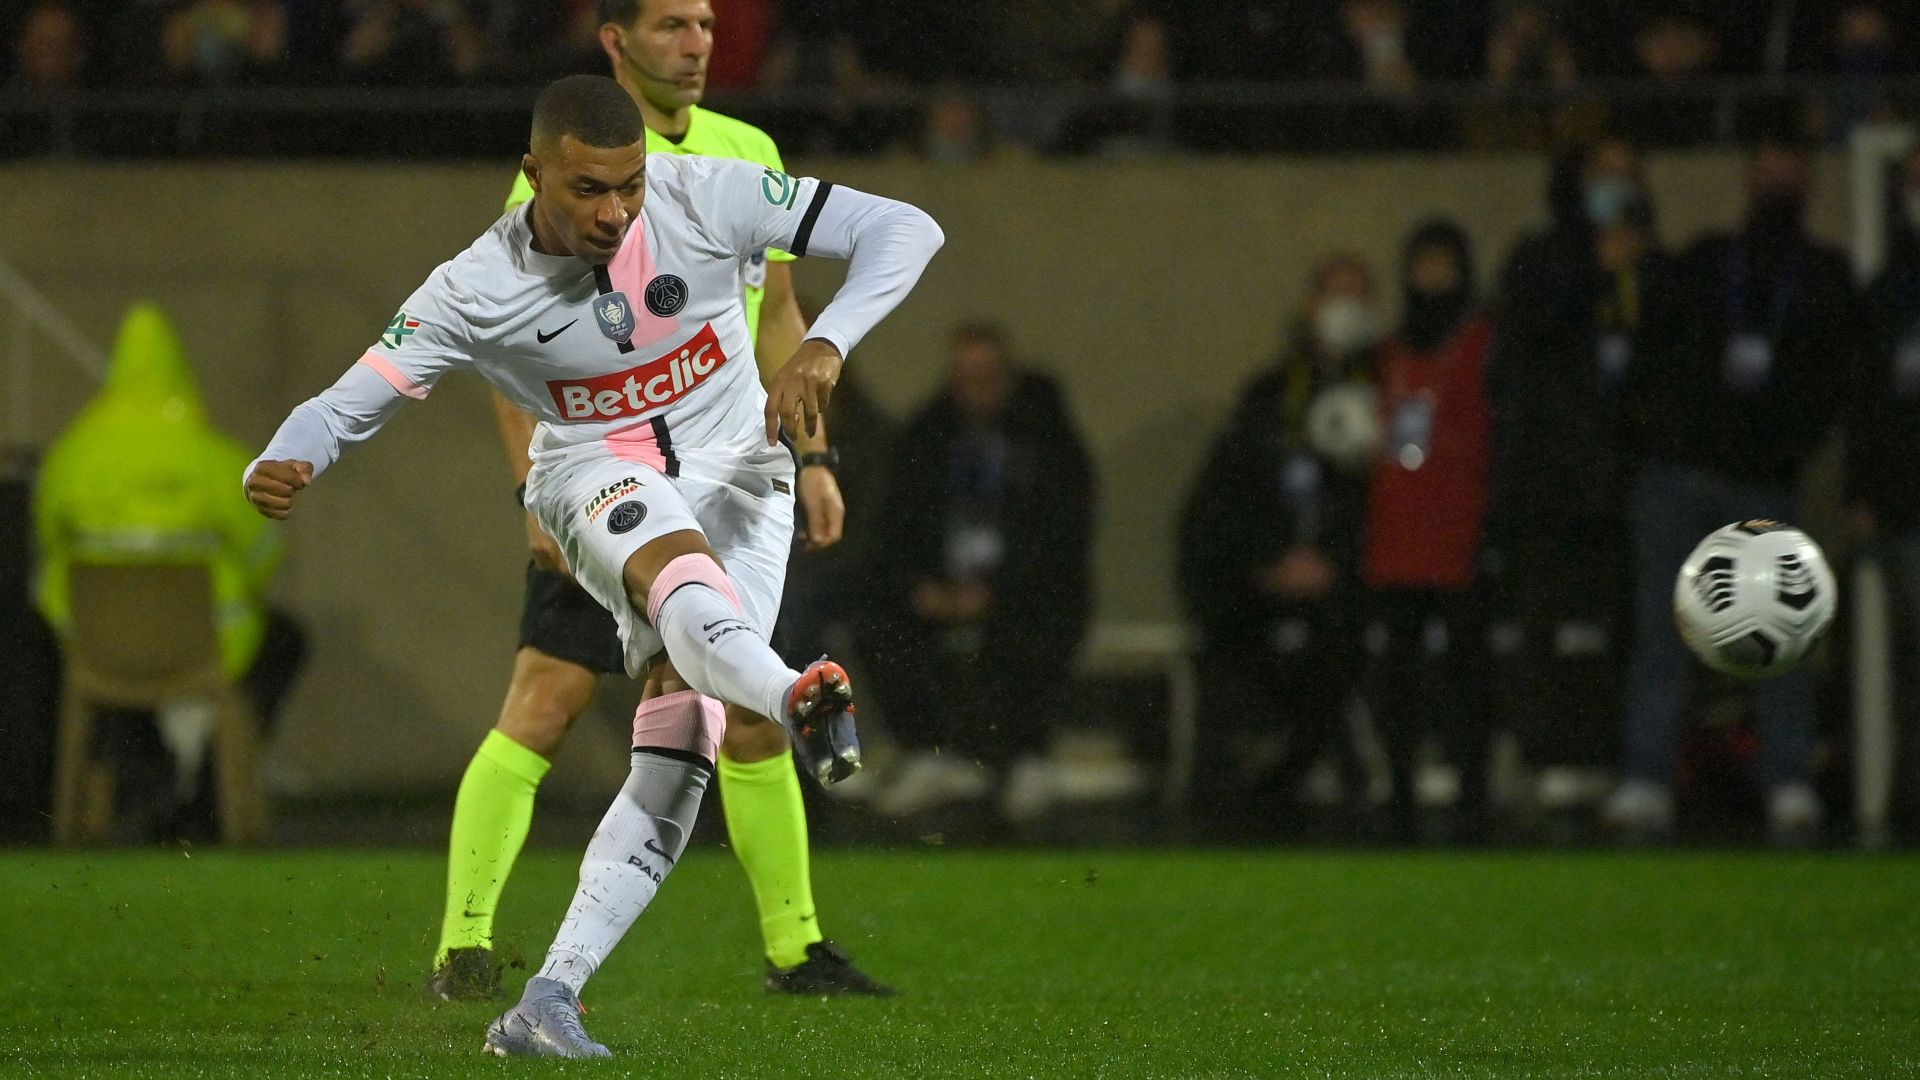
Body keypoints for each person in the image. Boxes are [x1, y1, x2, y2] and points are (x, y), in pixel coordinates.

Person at [244, 75, 941, 1057]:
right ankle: (793, 696)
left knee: (683, 730)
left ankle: (548, 997)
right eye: (587, 190)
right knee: (675, 576)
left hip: (747, 471)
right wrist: (287, 455)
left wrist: (827, 344)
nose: (616, 212)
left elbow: (908, 229)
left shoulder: (703, 193)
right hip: (592, 471)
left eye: (628, 186)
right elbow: (355, 396)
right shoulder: (475, 287)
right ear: (533, 175)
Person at [432, 0, 886, 1004]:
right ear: (616, 41)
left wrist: (814, 455)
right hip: (609, 477)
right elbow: (512, 345)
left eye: (706, 25)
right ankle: (463, 945)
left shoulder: (746, 150)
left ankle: (796, 948)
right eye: (672, 25)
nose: (696, 45)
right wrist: (533, 493)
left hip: (722, 480)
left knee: (746, 711)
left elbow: (779, 316)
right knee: (545, 702)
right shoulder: (574, 162)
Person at [1608, 139, 1854, 845]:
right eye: (1766, 171)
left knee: (1777, 637)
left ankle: (1788, 781)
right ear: (1747, 181)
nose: (1776, 183)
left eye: (1789, 173)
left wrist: (1786, 448)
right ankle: (1646, 781)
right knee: (1661, 635)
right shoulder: (1709, 260)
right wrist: (1658, 436)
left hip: (1764, 482)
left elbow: (1833, 375)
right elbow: (1653, 349)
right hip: (1677, 477)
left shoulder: (1823, 273)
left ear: (1807, 184)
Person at [36, 303, 305, 838]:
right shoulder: (215, 460)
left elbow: (47, 543)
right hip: (208, 647)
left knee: (88, 673)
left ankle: (140, 782)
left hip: (97, 650)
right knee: (286, 641)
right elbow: (264, 554)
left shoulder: (70, 459)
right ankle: (209, 794)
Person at [1179, 254, 1379, 837]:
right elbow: (1229, 496)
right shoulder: (1270, 395)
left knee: (1338, 642)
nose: (1345, 311)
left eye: (1358, 297)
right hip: (1268, 577)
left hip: (1349, 579)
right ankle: (1240, 780)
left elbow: (1383, 502)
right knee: (1230, 636)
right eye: (1335, 296)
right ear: (1311, 305)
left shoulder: (1390, 387)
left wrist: (1337, 562)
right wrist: (1268, 563)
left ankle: (1310, 767)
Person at [1486, 135, 1662, 791]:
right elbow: (1525, 342)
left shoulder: (1652, 262)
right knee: (1543, 628)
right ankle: (1539, 756)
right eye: (1602, 173)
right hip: (1549, 481)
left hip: (1630, 478)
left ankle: (1623, 760)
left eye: (1627, 173)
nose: (1615, 186)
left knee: (1629, 627)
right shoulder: (1541, 255)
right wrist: (1594, 268)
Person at [864, 322, 1095, 819]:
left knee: (1041, 619)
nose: (977, 391)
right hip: (942, 585)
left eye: (988, 377)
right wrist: (921, 586)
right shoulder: (926, 437)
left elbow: (1060, 536)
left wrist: (997, 590)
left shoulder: (1048, 441)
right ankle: (928, 753)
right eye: (966, 378)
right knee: (877, 614)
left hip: (1019, 591)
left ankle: (1023, 756)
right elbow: (895, 528)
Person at [1361, 220, 1496, 843]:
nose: (1432, 276)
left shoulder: (1484, 343)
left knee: (1468, 669)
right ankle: (1400, 786)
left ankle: (1473, 786)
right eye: (1423, 263)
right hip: (1397, 531)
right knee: (1400, 673)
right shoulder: (1388, 352)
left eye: (1444, 263)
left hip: (1461, 527)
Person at [1848, 142, 1920, 845]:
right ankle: (1907, 802)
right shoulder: (1888, 292)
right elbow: (1864, 404)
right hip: (1905, 507)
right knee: (1911, 660)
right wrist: (1862, 492)